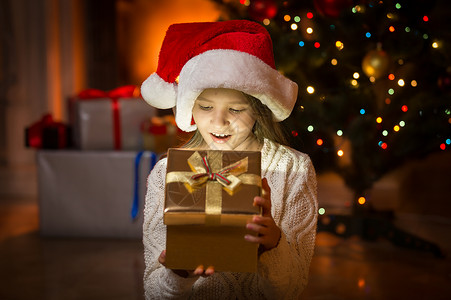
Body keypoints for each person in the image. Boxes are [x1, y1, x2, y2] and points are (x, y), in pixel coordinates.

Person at [141, 20, 318, 299]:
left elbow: (292, 289)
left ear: (259, 109)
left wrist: (272, 244)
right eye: (205, 106)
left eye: (235, 108)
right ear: (188, 108)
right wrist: (177, 274)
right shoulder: (167, 173)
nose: (219, 120)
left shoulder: (292, 169)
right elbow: (153, 291)